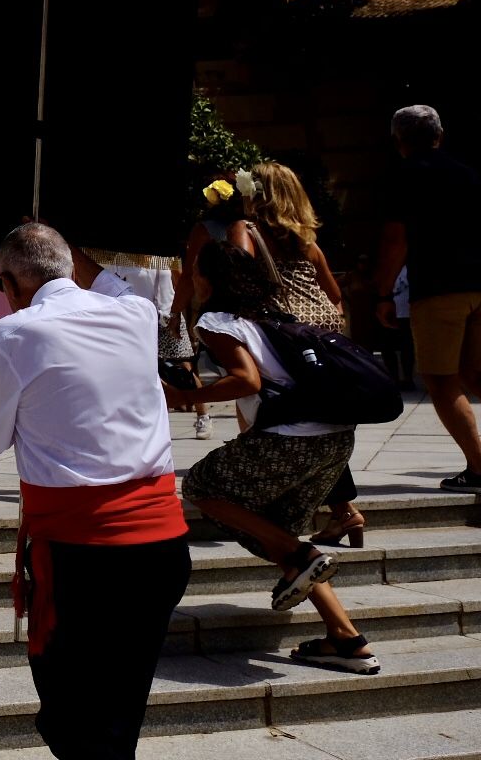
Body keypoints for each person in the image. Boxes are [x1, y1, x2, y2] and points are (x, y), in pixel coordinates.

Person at [0, 224, 191, 758]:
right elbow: (103, 281)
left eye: (0, 285)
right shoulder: (136, 315)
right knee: (118, 717)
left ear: (10, 282)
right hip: (160, 548)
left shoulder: (13, 335)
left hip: (82, 556)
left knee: (73, 722)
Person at [173, 240, 378, 675]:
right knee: (274, 533)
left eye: (194, 273)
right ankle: (346, 638)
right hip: (336, 440)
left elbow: (245, 381)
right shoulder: (273, 312)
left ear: (206, 279)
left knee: (200, 485)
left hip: (292, 439)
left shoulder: (215, 320)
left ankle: (300, 558)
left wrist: (187, 397)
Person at [248, 161, 362, 544]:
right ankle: (343, 515)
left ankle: (334, 513)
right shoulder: (307, 243)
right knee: (319, 424)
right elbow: (334, 294)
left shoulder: (255, 238)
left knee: (286, 426)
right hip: (321, 345)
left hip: (286, 346)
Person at [375, 105, 481, 493]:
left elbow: (395, 240)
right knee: (475, 375)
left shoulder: (404, 177)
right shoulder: (468, 173)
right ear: (439, 135)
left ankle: (480, 468)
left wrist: (384, 292)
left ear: (399, 140)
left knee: (441, 381)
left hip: (439, 290)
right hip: (478, 286)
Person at [170, 176, 259, 441]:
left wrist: (176, 312)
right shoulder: (258, 227)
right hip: (256, 308)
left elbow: (188, 275)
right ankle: (251, 438)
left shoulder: (205, 229)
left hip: (220, 312)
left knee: (241, 382)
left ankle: (250, 440)